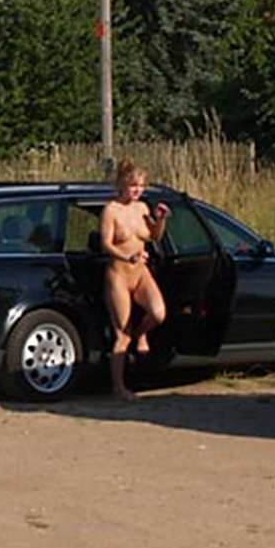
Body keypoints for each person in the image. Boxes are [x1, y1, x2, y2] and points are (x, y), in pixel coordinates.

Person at [100, 158, 169, 401]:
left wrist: (161, 219)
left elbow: (155, 236)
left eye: (141, 186)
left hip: (140, 272)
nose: (137, 190)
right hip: (119, 274)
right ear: (122, 184)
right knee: (123, 333)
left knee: (158, 313)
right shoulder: (111, 210)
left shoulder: (142, 208)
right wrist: (127, 256)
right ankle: (118, 387)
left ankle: (142, 334)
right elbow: (106, 244)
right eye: (133, 186)